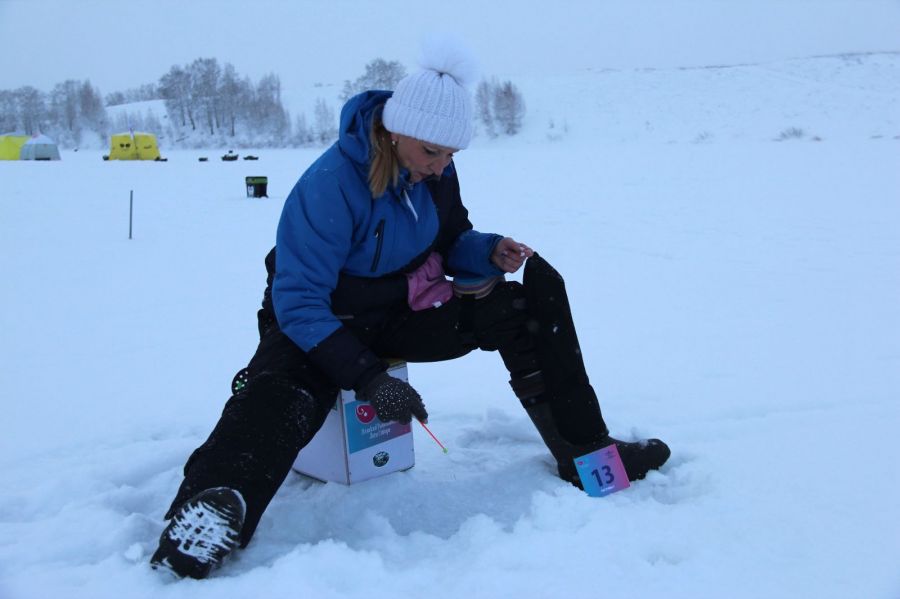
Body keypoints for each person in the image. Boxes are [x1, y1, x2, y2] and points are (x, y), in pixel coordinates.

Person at [150, 52, 670, 580]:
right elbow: (299, 302)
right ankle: (213, 505)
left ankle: (586, 455)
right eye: (431, 152)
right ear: (395, 133)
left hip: (402, 311)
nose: (441, 165)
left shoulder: (436, 173)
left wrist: (487, 251)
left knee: (520, 309)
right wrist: (369, 377)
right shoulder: (329, 184)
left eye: (450, 154)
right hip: (321, 320)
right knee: (284, 394)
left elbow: (449, 240)